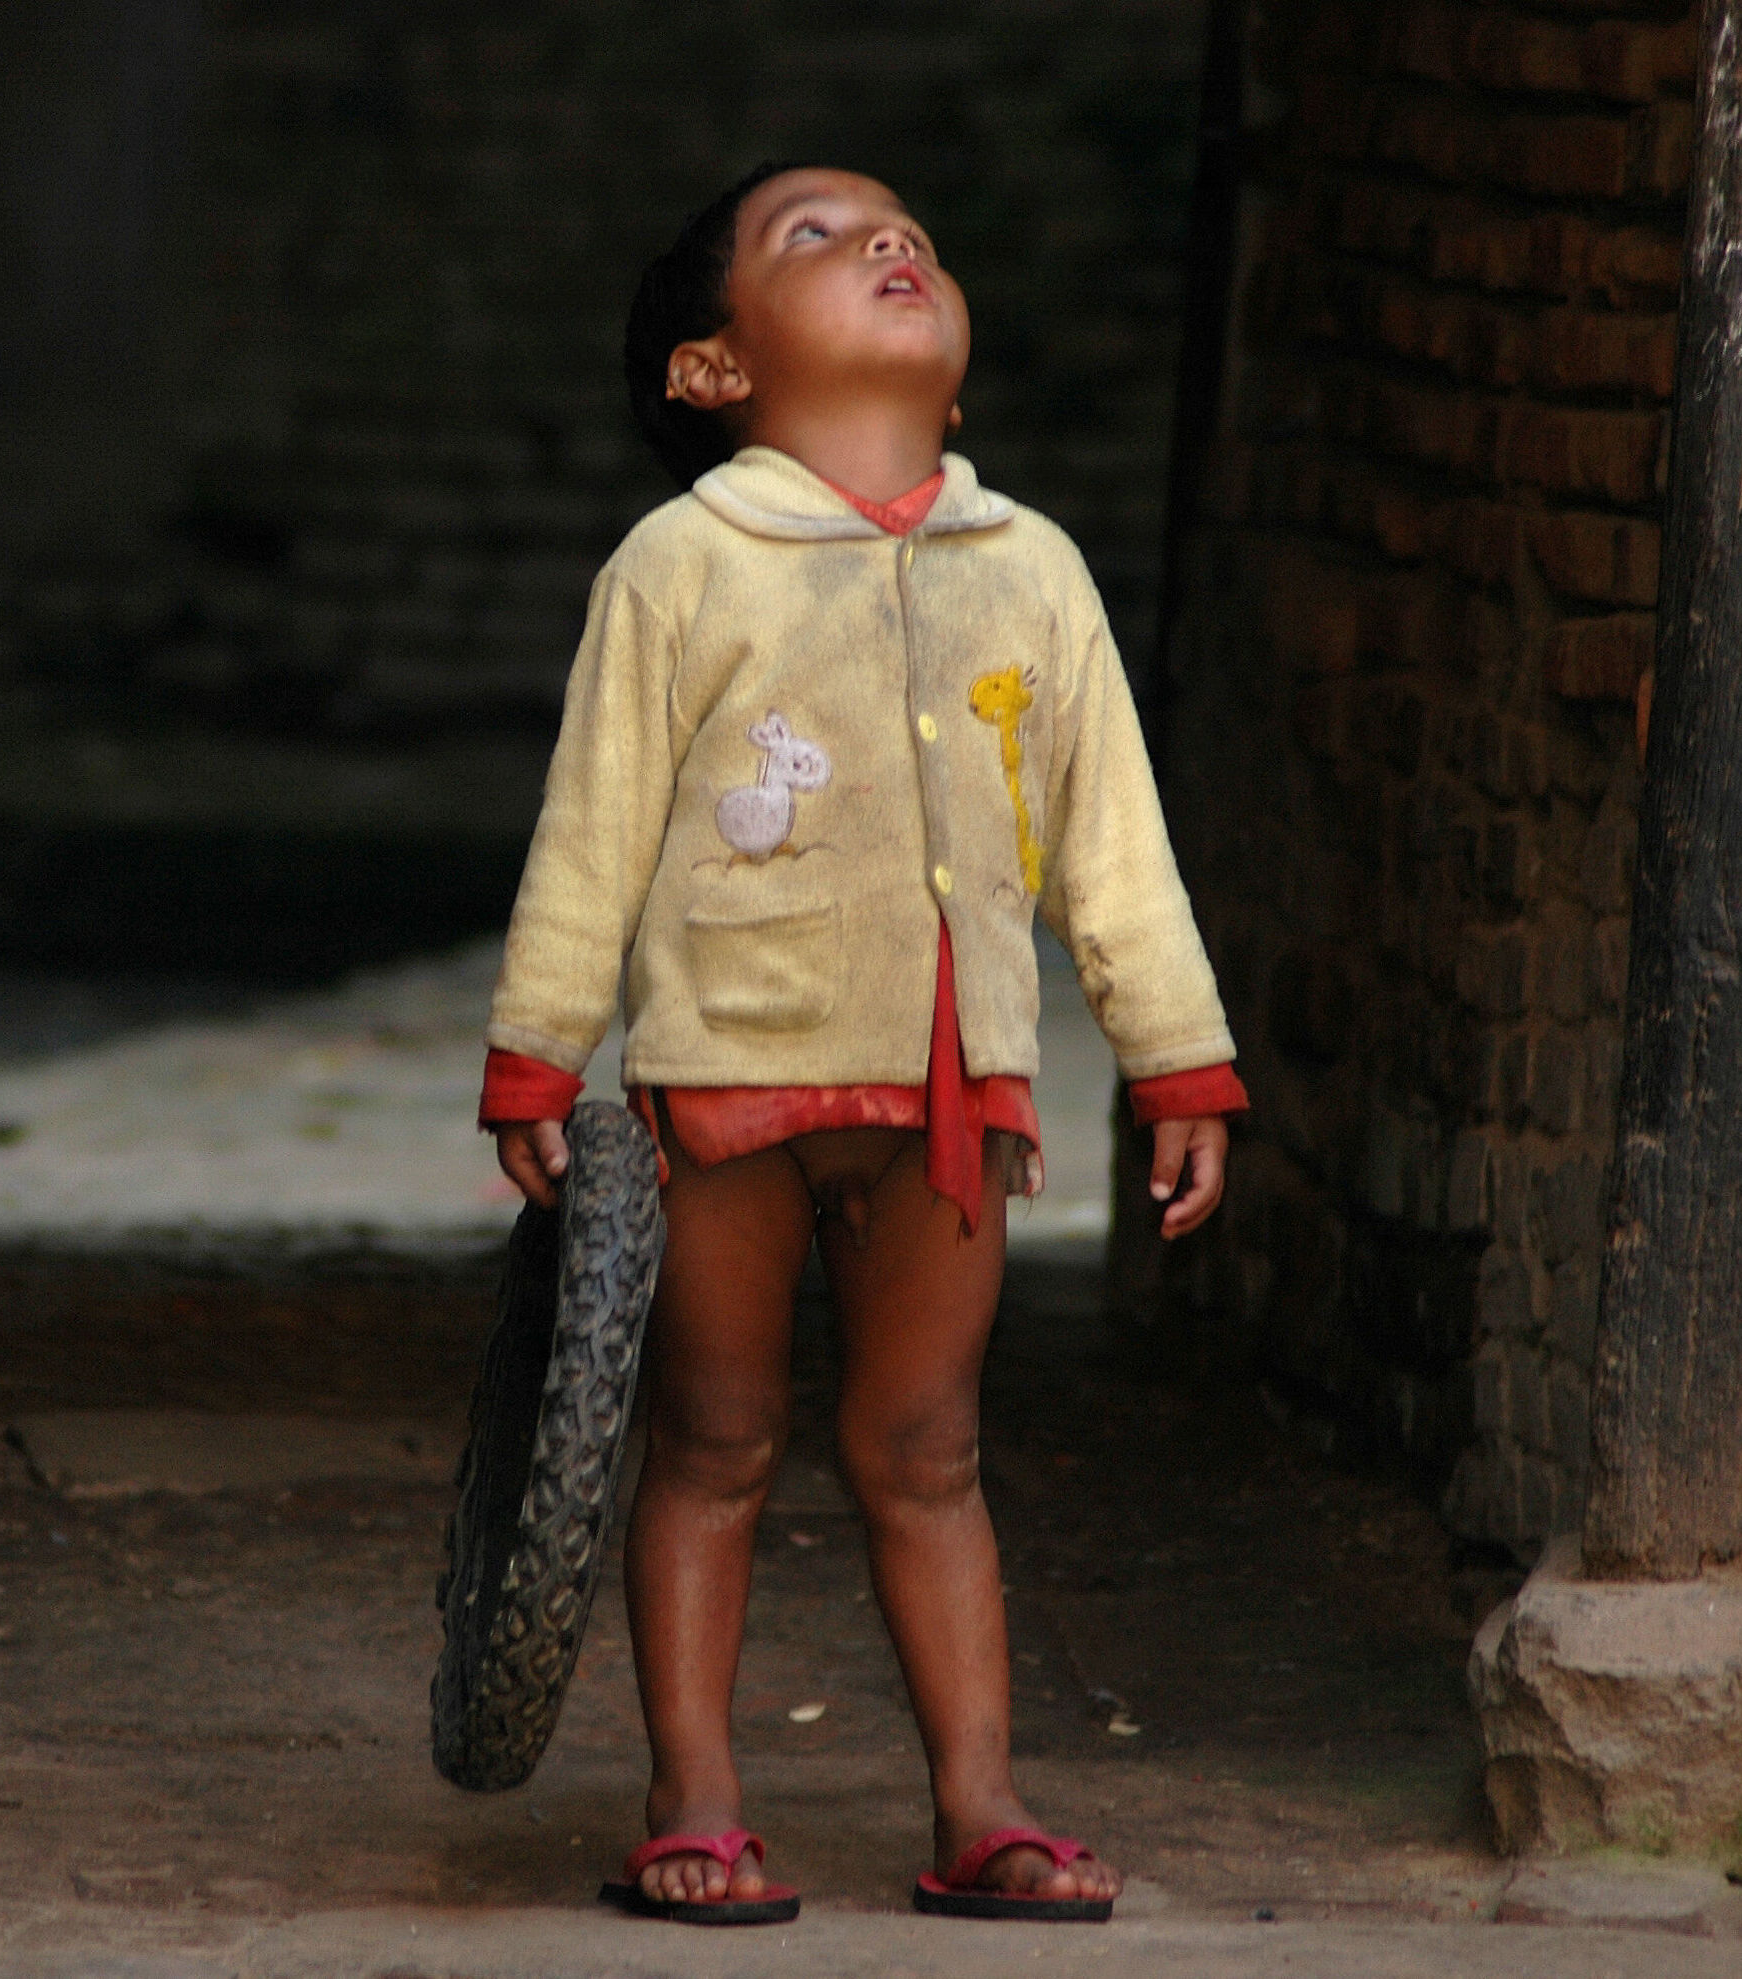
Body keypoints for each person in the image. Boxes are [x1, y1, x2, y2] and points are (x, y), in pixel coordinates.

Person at [478, 162, 1247, 1926]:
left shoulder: (1033, 573)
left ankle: (980, 1806)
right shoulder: (680, 567)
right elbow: (590, 828)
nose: (887, 240)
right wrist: (539, 1050)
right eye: (810, 238)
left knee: (927, 1450)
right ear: (710, 370)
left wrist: (1176, 1058)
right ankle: (695, 1793)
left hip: (948, 1104)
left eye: (907, 228)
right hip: (723, 1088)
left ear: (956, 372)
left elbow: (1113, 843)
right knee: (713, 1438)